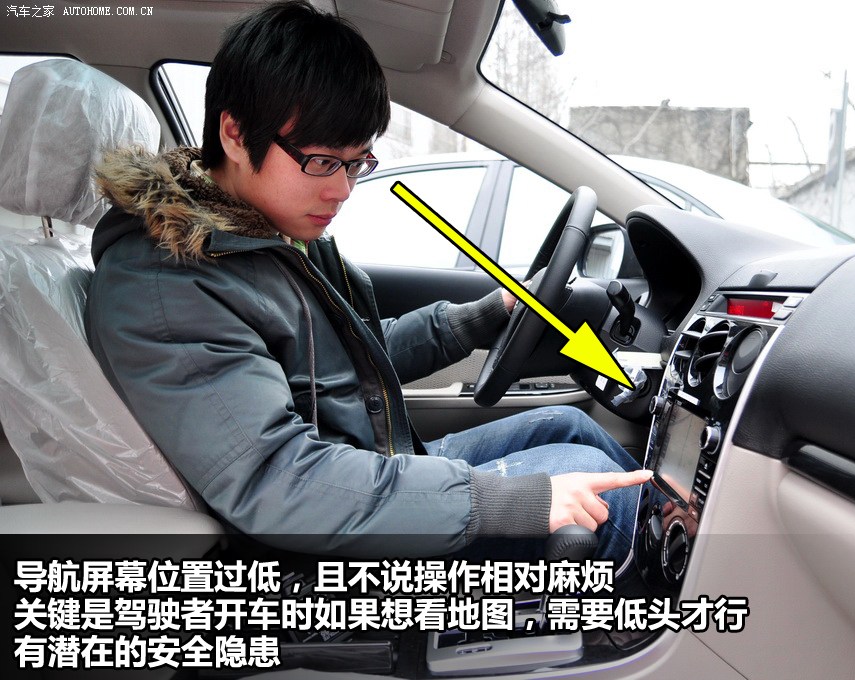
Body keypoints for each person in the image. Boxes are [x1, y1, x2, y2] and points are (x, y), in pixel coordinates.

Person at [87, 0, 649, 564]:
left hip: (364, 472)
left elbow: (357, 355)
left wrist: (486, 314)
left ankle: (672, 524)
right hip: (320, 549)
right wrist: (510, 503)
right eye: (322, 161)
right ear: (234, 134)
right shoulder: (167, 283)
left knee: (567, 425)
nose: (343, 190)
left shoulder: (263, 235)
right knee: (595, 488)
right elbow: (278, 482)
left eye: (357, 163)